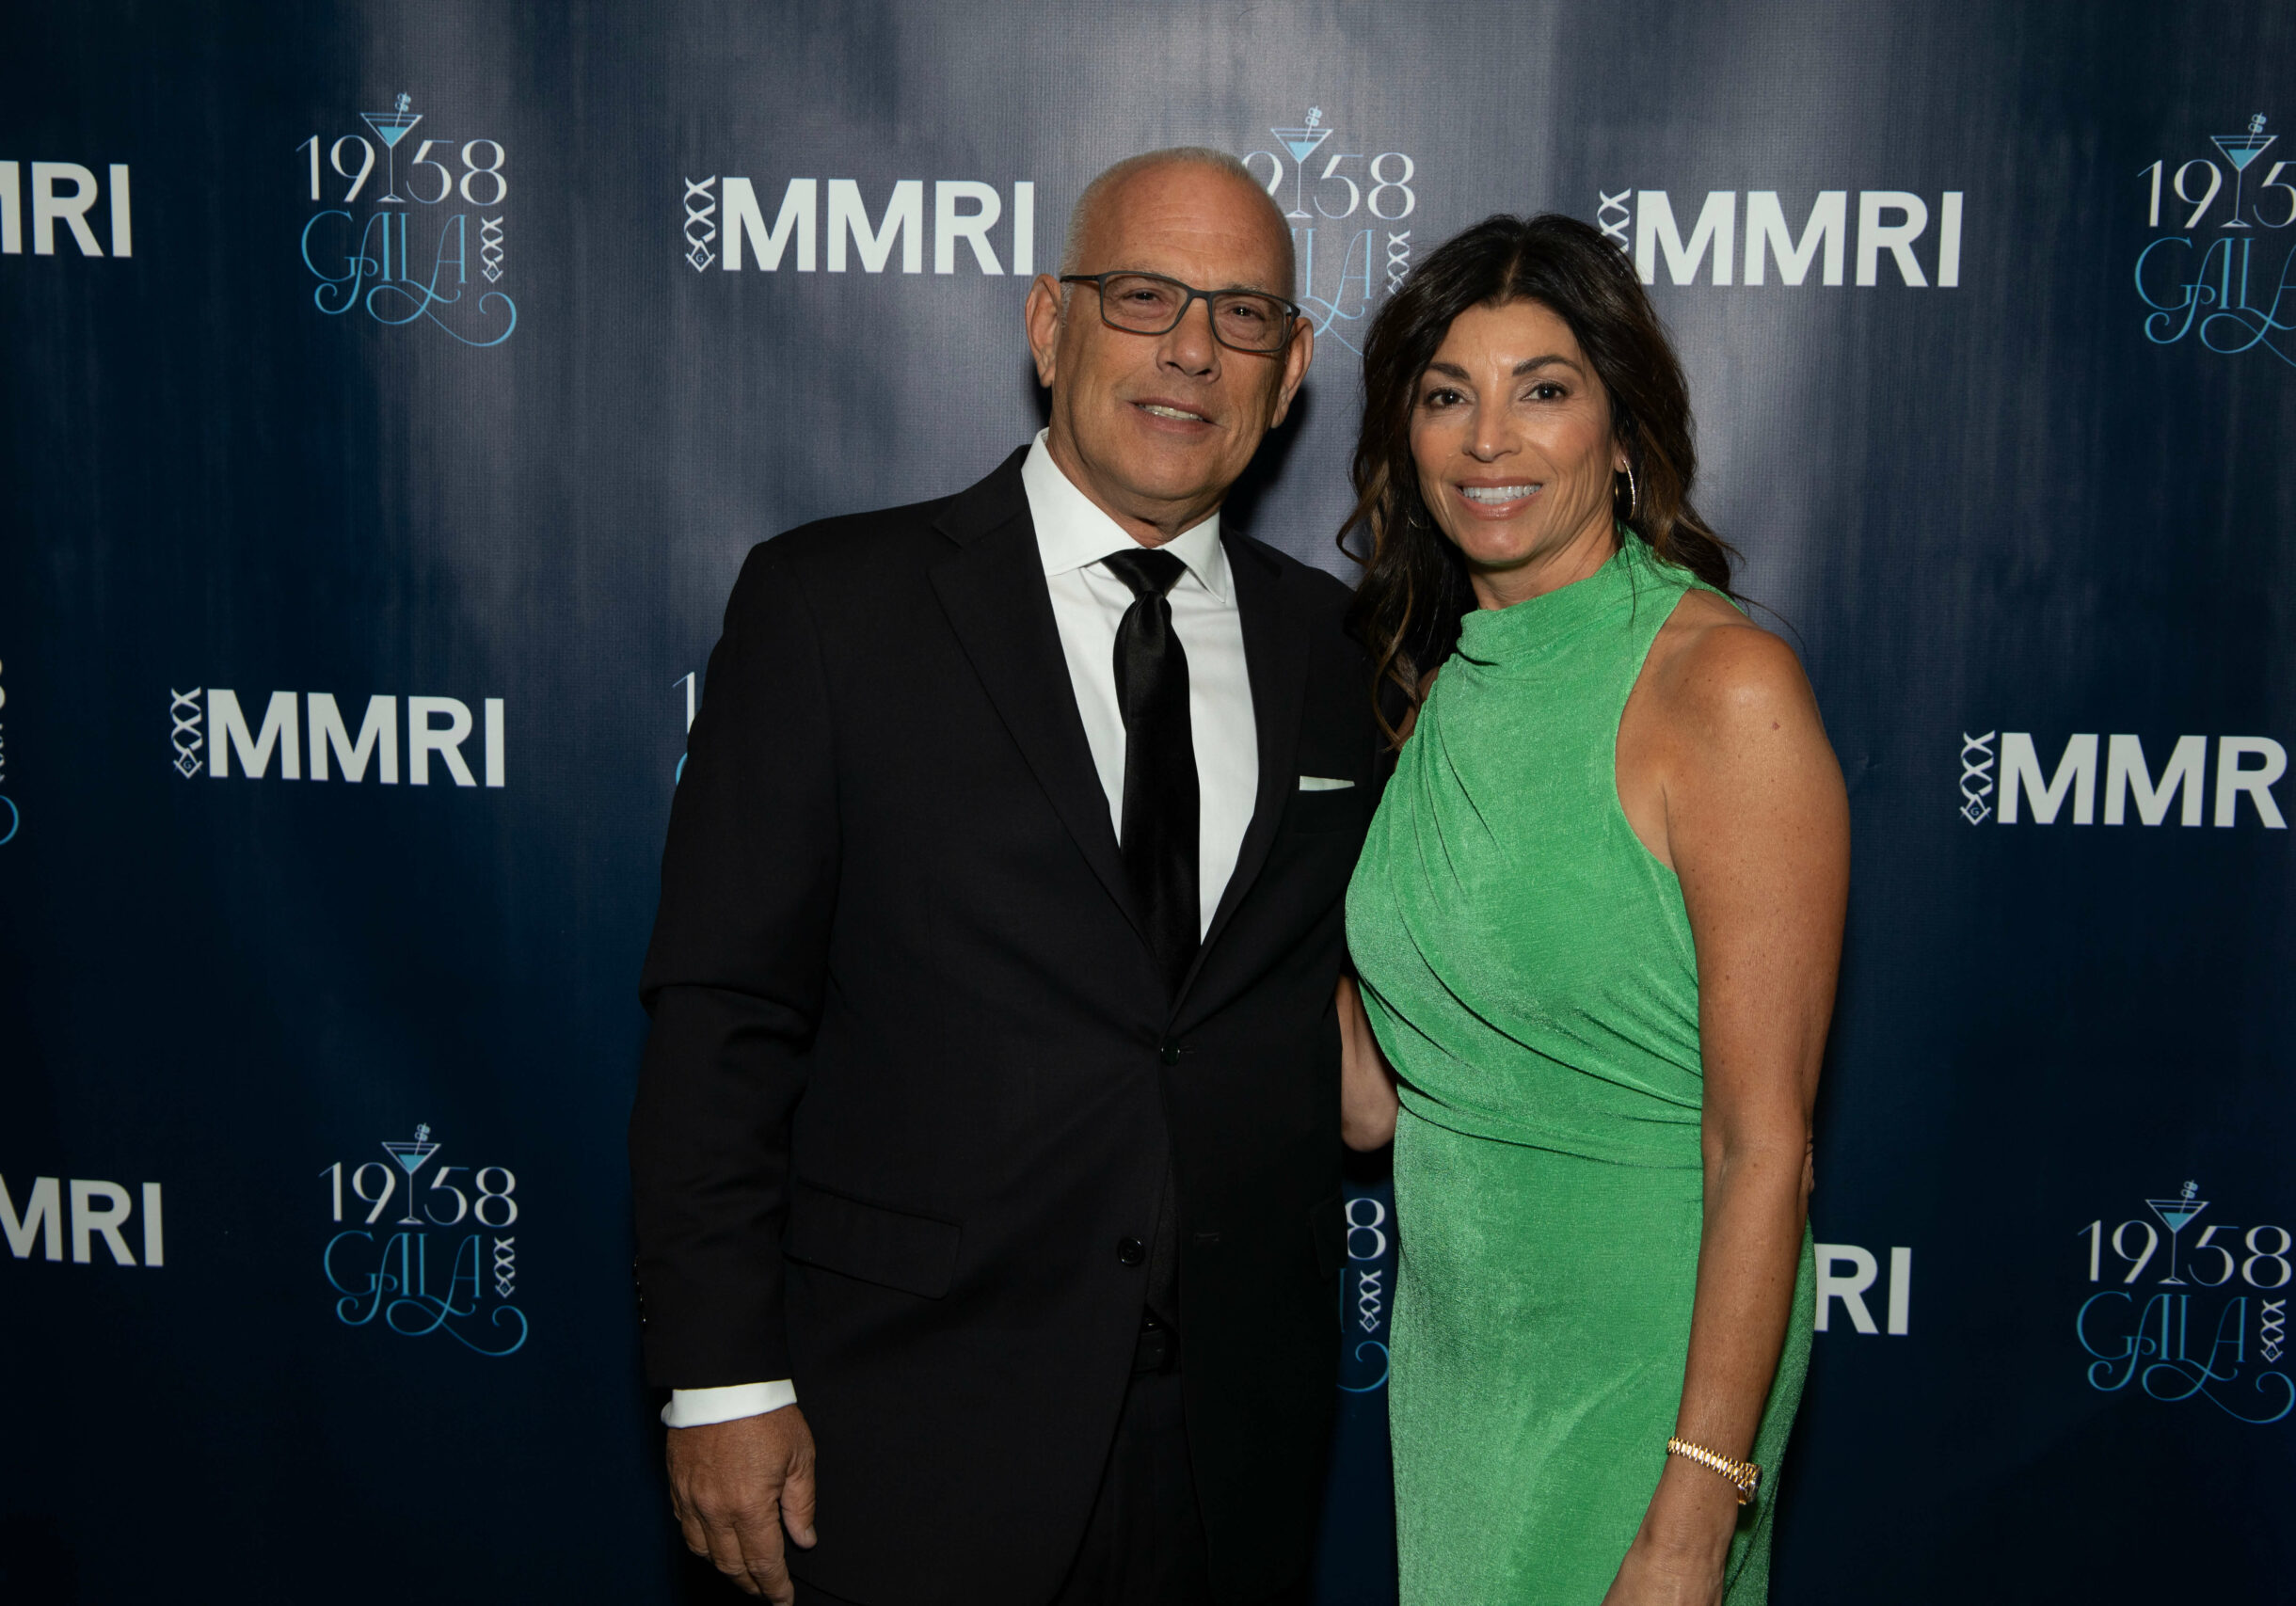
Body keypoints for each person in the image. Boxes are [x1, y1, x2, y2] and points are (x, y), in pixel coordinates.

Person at [631, 147, 1384, 1606]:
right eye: (1143, 295)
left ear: (1291, 370)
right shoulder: (833, 607)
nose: (1188, 348)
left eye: (1241, 315)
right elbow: (724, 1015)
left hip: (1233, 1456)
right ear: (1050, 325)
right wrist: (718, 1380)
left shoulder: (1352, 658)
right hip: (901, 1429)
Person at [1338, 214, 1847, 1604]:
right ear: (1407, 440)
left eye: (1543, 390)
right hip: (1460, 1369)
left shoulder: (1722, 689)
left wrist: (1694, 1515)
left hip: (1646, 1371)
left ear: (1624, 435)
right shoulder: (1438, 691)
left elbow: (1766, 1151)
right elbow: (1367, 1106)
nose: (1489, 438)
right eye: (1448, 395)